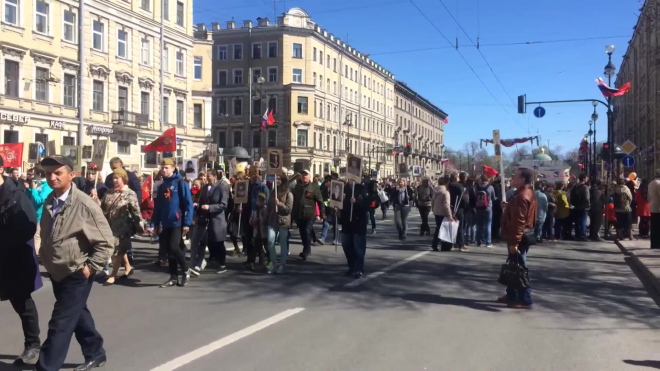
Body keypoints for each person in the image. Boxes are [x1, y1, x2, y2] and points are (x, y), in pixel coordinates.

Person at [36, 156, 113, 371]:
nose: (52, 177)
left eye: (57, 173)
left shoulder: (84, 205)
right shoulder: (51, 199)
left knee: (60, 323)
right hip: (56, 270)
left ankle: (46, 367)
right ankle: (95, 352)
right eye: (48, 173)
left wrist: (90, 268)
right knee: (77, 314)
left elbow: (106, 243)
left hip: (76, 273)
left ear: (71, 175)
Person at [0, 155, 42, 366]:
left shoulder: (16, 195)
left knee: (22, 303)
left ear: (0, 169)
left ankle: (33, 344)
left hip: (14, 259)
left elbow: (29, 226)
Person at [498, 167, 538, 309]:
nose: (512, 178)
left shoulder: (521, 196)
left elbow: (520, 221)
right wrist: (508, 206)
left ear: (522, 179)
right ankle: (512, 295)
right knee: (514, 266)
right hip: (522, 235)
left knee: (519, 268)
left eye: (514, 176)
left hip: (518, 237)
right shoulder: (525, 193)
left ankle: (525, 299)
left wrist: (514, 242)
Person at [152, 158, 194, 288]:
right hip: (166, 223)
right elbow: (158, 207)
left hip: (177, 221)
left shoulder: (181, 183)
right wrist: (154, 224)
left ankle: (186, 270)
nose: (164, 170)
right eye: (163, 168)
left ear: (173, 168)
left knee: (174, 246)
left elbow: (188, 204)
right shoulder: (162, 186)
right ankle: (173, 277)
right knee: (170, 251)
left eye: (167, 168)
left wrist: (186, 222)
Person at [100, 168, 141, 286]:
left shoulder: (129, 193)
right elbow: (102, 207)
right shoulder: (109, 192)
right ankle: (128, 267)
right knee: (120, 249)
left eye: (117, 178)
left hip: (123, 227)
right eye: (113, 178)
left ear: (123, 178)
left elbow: (136, 211)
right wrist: (95, 199)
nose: (115, 180)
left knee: (116, 251)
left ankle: (113, 275)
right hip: (109, 226)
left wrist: (140, 226)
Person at [192, 170, 228, 275]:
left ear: (215, 177)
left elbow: (223, 205)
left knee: (218, 242)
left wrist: (210, 207)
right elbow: (202, 202)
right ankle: (212, 260)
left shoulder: (221, 188)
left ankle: (222, 263)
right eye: (206, 176)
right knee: (208, 241)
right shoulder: (204, 188)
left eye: (209, 176)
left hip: (217, 219)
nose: (207, 178)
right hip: (206, 220)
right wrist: (198, 206)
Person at [292, 169, 325, 260]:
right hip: (299, 214)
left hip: (309, 213)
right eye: (302, 175)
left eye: (306, 175)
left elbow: (320, 201)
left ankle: (306, 251)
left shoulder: (314, 187)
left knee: (307, 230)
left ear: (310, 176)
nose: (304, 176)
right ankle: (306, 248)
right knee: (302, 232)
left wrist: (322, 214)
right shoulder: (297, 186)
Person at [341, 179, 369, 278]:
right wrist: (336, 210)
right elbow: (340, 203)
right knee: (346, 245)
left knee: (358, 248)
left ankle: (359, 268)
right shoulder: (344, 189)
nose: (350, 179)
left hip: (358, 223)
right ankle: (351, 266)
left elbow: (366, 206)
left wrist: (356, 202)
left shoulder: (362, 189)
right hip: (346, 222)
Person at [267, 173, 294, 274]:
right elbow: (269, 206)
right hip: (272, 220)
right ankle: (273, 263)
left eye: (278, 178)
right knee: (270, 241)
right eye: (276, 178)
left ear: (283, 180)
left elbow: (289, 209)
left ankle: (282, 264)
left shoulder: (289, 194)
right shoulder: (273, 192)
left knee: (283, 243)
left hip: (283, 221)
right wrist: (266, 217)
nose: (276, 180)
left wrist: (280, 204)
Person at [25, 164, 52, 256]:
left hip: (40, 216)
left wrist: (34, 190)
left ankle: (35, 257)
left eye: (34, 174)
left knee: (37, 238)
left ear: (39, 175)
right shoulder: (37, 184)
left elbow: (39, 201)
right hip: (32, 215)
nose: (32, 176)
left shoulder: (46, 186)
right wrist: (29, 189)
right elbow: (29, 198)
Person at [431, 177, 453, 252]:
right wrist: (450, 216)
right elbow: (446, 205)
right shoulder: (446, 192)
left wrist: (433, 209)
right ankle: (442, 246)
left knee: (438, 228)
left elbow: (432, 201)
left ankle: (435, 244)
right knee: (443, 229)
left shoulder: (435, 190)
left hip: (436, 212)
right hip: (443, 213)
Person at [448, 173, 468, 251]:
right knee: (460, 226)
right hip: (459, 207)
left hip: (450, 207)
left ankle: (451, 243)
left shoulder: (448, 185)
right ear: (456, 178)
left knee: (451, 225)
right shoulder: (459, 186)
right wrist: (465, 206)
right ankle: (461, 244)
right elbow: (463, 197)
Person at [474, 175, 496, 247]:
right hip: (488, 207)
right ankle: (488, 242)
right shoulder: (490, 187)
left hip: (479, 207)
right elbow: (493, 198)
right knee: (488, 224)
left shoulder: (477, 187)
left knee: (479, 224)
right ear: (488, 180)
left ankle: (478, 241)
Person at [570, 174, 591, 241]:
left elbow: (571, 195)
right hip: (583, 206)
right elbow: (587, 197)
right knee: (583, 221)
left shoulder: (575, 186)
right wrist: (588, 205)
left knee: (577, 221)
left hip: (576, 206)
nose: (587, 179)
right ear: (584, 178)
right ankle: (582, 235)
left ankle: (577, 234)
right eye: (586, 178)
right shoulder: (585, 187)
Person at [613, 177, 634, 241]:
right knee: (628, 223)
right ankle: (630, 236)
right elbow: (630, 198)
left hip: (617, 209)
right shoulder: (626, 189)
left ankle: (620, 236)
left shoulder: (615, 189)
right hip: (626, 209)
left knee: (619, 223)